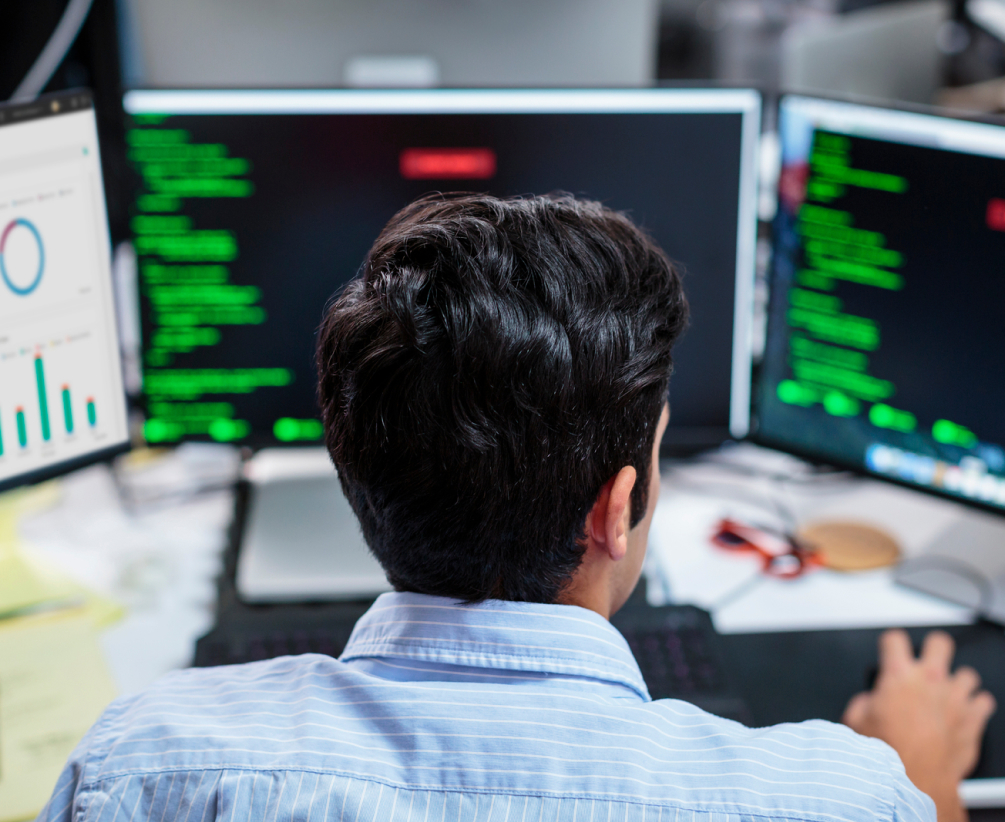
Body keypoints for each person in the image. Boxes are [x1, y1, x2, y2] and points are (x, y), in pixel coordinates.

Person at [39, 193, 993, 822]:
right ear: (616, 509)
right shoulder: (837, 800)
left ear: (354, 472)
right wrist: (924, 784)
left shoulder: (140, 771)